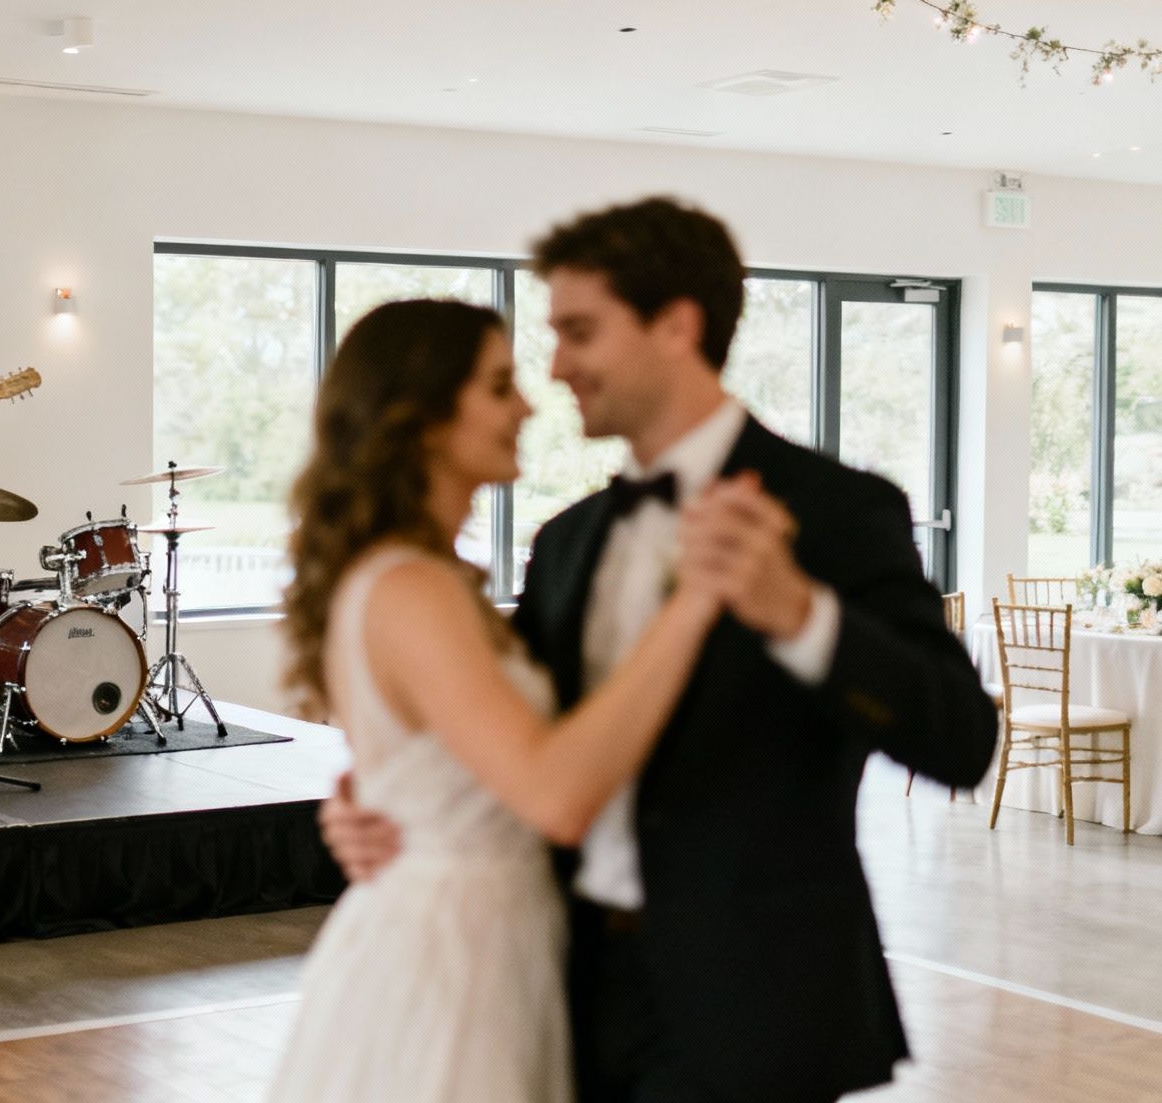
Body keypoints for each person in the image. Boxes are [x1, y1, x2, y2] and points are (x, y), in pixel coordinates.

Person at [317, 199, 1001, 1103]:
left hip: (754, 1008)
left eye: (579, 332)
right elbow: (509, 734)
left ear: (676, 325)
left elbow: (961, 742)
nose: (555, 368)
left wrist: (800, 614)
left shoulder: (838, 510)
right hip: (561, 990)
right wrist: (371, 797)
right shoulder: (565, 543)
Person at [266, 300, 723, 1102]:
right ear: (423, 415)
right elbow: (552, 793)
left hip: (501, 934)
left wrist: (380, 796)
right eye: (498, 385)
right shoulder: (412, 589)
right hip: (452, 954)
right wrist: (691, 606)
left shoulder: (437, 580)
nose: (528, 404)